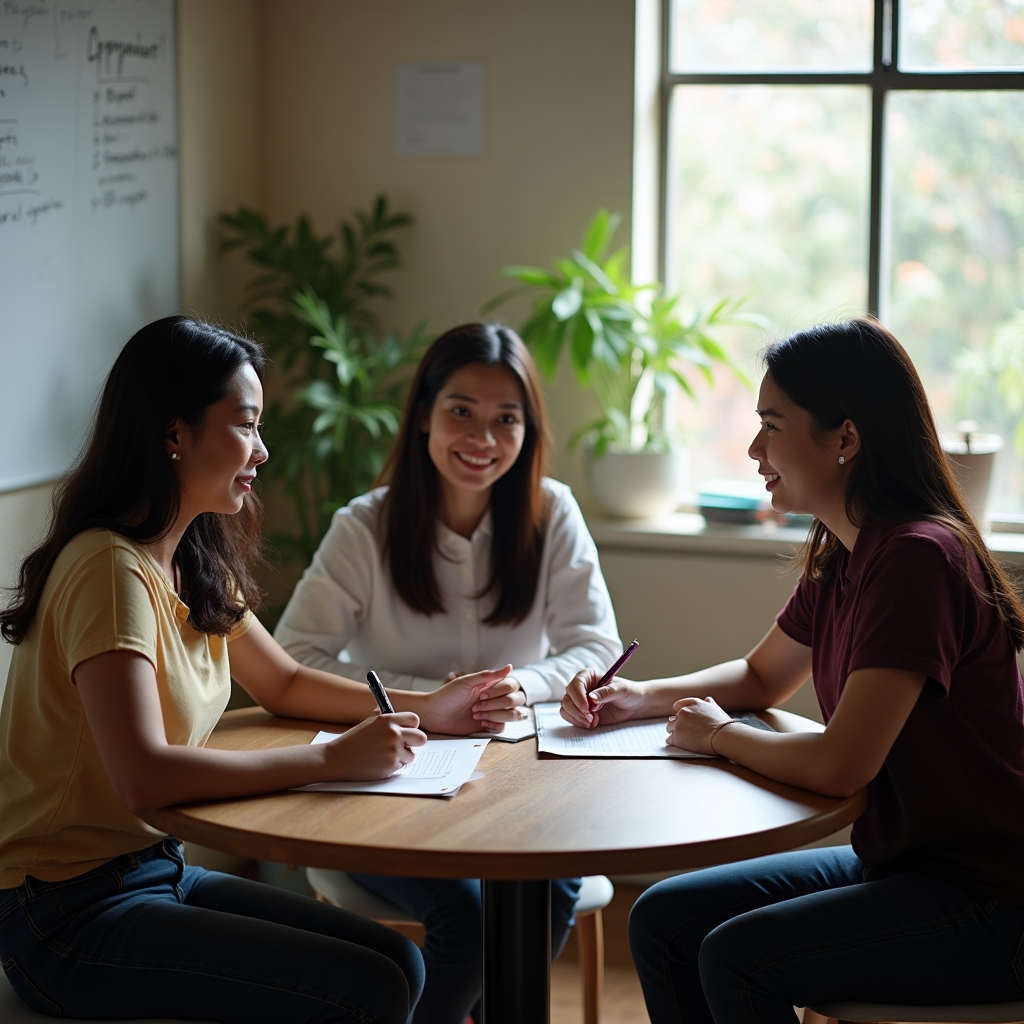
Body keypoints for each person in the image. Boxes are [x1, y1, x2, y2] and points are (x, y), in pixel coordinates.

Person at [0, 316, 525, 1023]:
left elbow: (280, 682)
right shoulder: (108, 568)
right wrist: (333, 758)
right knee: (365, 987)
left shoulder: (192, 558)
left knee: (402, 964)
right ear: (173, 433)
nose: (263, 450)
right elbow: (143, 776)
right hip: (63, 913)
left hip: (154, 873)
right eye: (246, 425)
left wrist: (432, 708)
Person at [560, 318, 1024, 1024]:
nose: (753, 450)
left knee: (735, 957)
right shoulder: (845, 552)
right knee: (661, 921)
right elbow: (758, 678)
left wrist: (717, 737)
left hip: (990, 899)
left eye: (771, 426)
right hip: (905, 868)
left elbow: (841, 766)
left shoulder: (917, 559)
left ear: (845, 438)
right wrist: (640, 697)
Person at [275, 321, 622, 1024]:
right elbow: (294, 659)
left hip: (515, 782)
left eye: (506, 420)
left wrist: (519, 685)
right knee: (470, 920)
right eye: (461, 411)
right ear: (424, 414)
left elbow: (595, 645)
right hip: (388, 780)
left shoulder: (552, 513)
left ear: (528, 431)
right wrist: (426, 703)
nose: (482, 439)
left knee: (544, 891)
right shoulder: (363, 527)